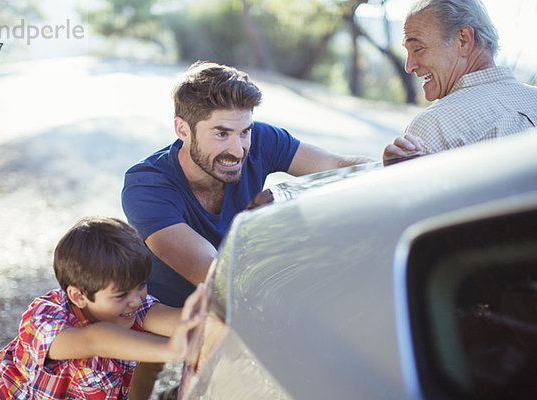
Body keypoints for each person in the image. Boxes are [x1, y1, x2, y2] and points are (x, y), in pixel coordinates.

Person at [121, 60, 373, 399]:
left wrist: (386, 165)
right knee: (140, 381)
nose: (238, 150)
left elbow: (334, 166)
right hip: (161, 309)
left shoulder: (261, 140)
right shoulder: (146, 185)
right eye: (221, 133)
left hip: (228, 299)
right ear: (182, 129)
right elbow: (209, 272)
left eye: (245, 132)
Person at [0, 217, 205, 400]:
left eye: (141, 285)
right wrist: (173, 350)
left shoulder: (126, 307)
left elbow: (173, 319)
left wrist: (203, 317)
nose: (136, 299)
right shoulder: (43, 321)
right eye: (121, 294)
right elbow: (94, 340)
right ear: (78, 296)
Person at [383, 0, 537, 160]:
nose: (409, 66)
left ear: (463, 40)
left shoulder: (433, 126)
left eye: (418, 49)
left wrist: (394, 173)